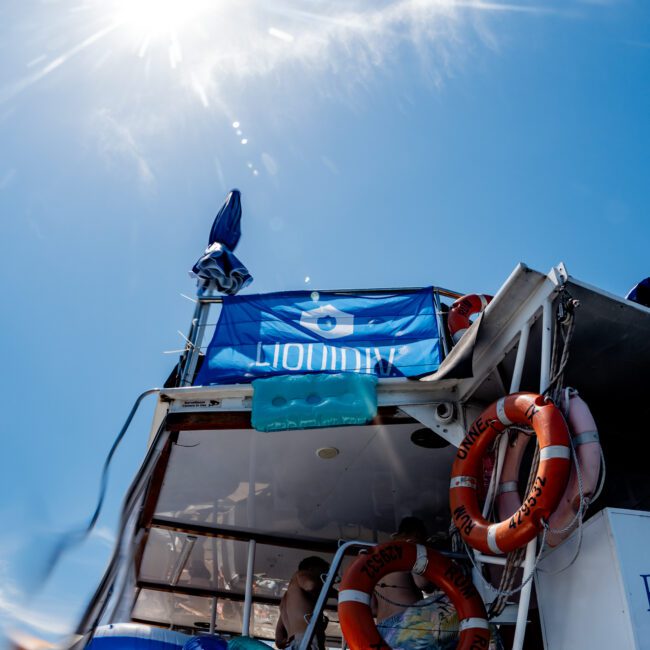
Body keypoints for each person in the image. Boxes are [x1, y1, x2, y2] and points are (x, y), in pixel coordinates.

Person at [374, 516, 502, 650]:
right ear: (418, 534)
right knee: (479, 619)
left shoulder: (378, 555)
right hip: (407, 625)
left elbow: (372, 608)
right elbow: (421, 583)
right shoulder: (411, 544)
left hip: (382, 632)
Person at [275, 556, 331, 650]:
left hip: (293, 644)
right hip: (307, 641)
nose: (324, 578)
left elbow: (279, 639)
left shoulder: (286, 600)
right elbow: (310, 585)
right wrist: (332, 591)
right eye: (322, 573)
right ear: (311, 569)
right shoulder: (300, 574)